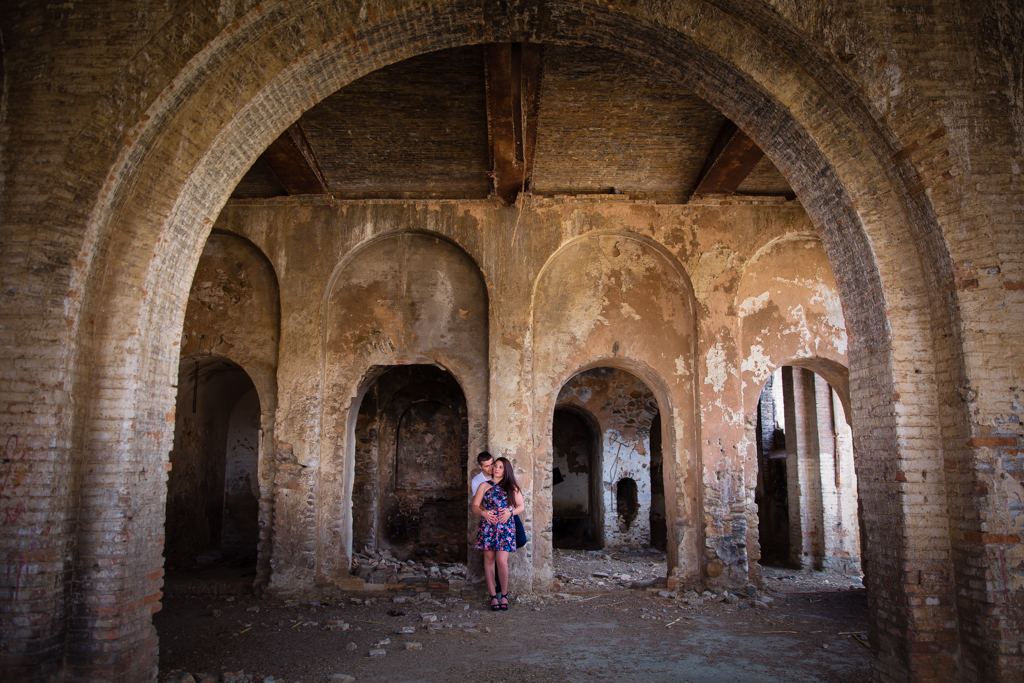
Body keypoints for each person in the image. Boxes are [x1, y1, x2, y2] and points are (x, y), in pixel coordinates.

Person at [472, 456, 524, 611]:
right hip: (488, 526)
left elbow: (521, 506)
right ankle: (493, 596)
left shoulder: (511, 486)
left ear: (506, 470)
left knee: (501, 561)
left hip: (505, 527)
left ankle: (504, 595)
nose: (496, 468)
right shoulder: (483, 486)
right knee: (488, 560)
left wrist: (510, 512)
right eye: (495, 466)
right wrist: (484, 513)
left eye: (500, 467)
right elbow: (475, 506)